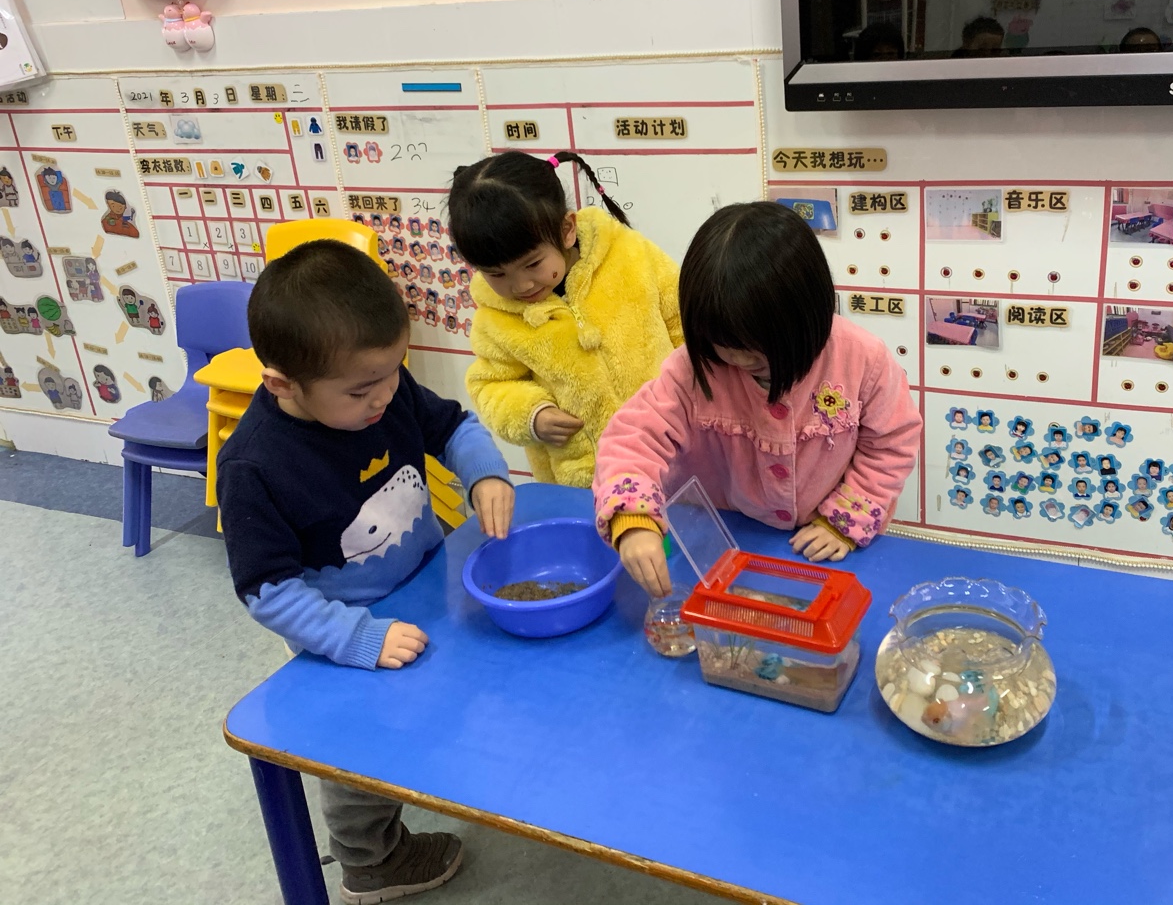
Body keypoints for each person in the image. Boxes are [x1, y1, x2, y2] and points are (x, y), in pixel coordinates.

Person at [217, 241, 513, 903]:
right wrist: (359, 639)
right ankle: (371, 860)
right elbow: (266, 591)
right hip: (343, 631)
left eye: (393, 372)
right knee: (359, 749)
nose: (384, 395)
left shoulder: (384, 388)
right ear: (283, 384)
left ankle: (425, 773)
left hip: (425, 589)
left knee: (437, 703)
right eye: (359, 391)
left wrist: (486, 473)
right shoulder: (254, 465)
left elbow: (454, 427)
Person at [592, 202, 922, 597]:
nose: (738, 360)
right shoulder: (692, 369)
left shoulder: (862, 359)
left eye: (754, 348)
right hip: (725, 536)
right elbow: (635, 436)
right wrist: (633, 519)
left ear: (808, 316)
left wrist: (843, 521)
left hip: (822, 541)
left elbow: (891, 442)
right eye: (723, 344)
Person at [452, 151, 682, 487]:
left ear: (567, 230)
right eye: (496, 274)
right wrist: (533, 416)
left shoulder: (630, 255)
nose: (521, 285)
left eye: (533, 264)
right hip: (584, 480)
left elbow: (683, 322)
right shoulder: (495, 319)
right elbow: (490, 385)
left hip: (671, 453)